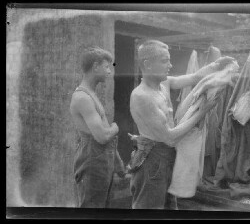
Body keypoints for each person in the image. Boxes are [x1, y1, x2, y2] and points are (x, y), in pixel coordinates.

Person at [129, 40, 234, 209]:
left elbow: (195, 77)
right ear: (147, 64)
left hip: (167, 155)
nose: (170, 65)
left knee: (170, 206)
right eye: (164, 61)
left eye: (169, 60)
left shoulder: (163, 83)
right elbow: (170, 137)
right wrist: (202, 111)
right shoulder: (142, 96)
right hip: (152, 158)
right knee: (149, 209)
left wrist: (215, 65)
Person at [70, 47, 126, 208]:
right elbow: (102, 136)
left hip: (101, 162)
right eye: (107, 67)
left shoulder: (91, 94)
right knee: (92, 209)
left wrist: (118, 163)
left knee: (103, 207)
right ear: (95, 67)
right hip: (92, 163)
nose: (109, 71)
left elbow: (105, 135)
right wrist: (116, 127)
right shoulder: (82, 98)